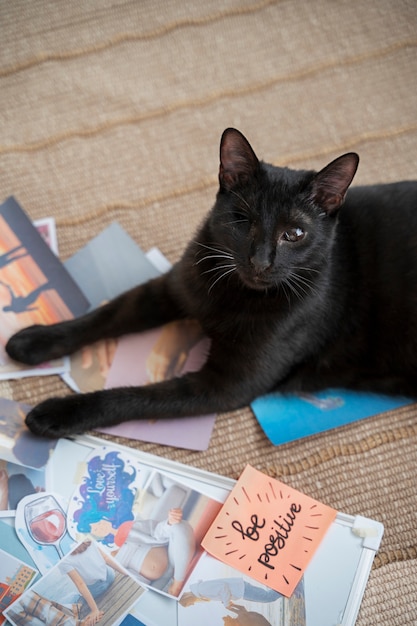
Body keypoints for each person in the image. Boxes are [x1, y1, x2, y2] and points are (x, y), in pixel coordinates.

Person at [113, 507, 196, 596]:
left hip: (173, 556)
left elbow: (156, 531)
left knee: (179, 527)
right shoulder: (105, 570)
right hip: (157, 586)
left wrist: (170, 522)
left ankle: (177, 584)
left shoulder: (124, 529)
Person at [59, 540, 127, 624]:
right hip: (109, 576)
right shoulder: (87, 539)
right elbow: (106, 558)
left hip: (95, 590)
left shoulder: (64, 559)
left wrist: (95, 610)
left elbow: (81, 584)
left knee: (76, 598)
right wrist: (125, 572)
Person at [179, 577, 282, 608]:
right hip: (240, 590)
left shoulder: (201, 590)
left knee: (268, 597)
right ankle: (288, 587)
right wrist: (225, 601)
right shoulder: (200, 591)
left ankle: (291, 587)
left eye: (189, 603)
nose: (192, 604)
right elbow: (221, 590)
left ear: (187, 598)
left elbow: (222, 587)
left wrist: (226, 604)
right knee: (268, 596)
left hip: (240, 589)